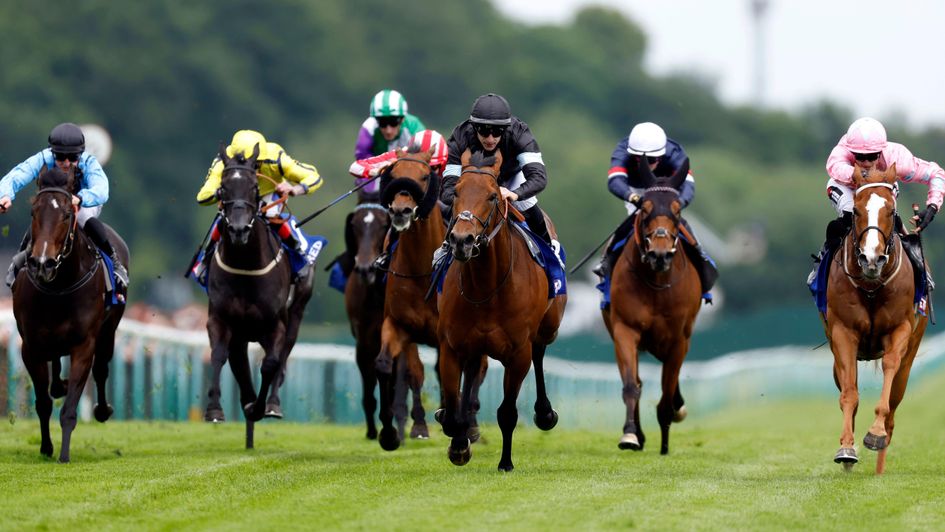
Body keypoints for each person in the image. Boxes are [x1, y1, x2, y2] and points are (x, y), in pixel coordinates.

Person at [807, 117, 944, 286]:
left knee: (888, 217)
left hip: (883, 185)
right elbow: (834, 167)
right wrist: (867, 177)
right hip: (847, 187)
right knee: (852, 213)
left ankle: (919, 268)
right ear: (851, 152)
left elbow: (936, 173)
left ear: (881, 151)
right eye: (860, 156)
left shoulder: (898, 157)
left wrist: (932, 206)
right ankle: (823, 262)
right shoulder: (842, 150)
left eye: (871, 157)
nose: (865, 162)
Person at [0, 122, 128, 290]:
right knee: (44, 216)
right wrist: (5, 195)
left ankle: (115, 261)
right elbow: (17, 175)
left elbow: (102, 190)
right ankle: (18, 261)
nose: (67, 162)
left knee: (81, 217)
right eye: (60, 157)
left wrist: (81, 198)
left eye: (72, 157)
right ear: (53, 153)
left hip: (84, 202)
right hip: (54, 202)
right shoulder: (43, 157)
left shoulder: (89, 162)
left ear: (80, 154)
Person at [190, 129, 324, 284]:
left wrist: (295, 189)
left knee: (272, 215)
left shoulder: (275, 158)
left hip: (266, 195)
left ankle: (299, 254)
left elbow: (314, 177)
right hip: (237, 197)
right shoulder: (223, 162)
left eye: (255, 164)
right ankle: (206, 259)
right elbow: (202, 196)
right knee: (225, 217)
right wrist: (220, 192)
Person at [440, 93, 556, 253]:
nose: (490, 138)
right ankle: (444, 254)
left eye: (497, 131)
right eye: (483, 131)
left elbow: (539, 177)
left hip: (510, 180)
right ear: (474, 127)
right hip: (473, 186)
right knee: (454, 208)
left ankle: (550, 254)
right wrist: (466, 197)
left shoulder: (519, 134)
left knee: (527, 204)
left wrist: (515, 194)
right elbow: (447, 191)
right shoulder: (460, 136)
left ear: (506, 128)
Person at [333, 130, 449, 279]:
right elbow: (355, 167)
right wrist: (381, 169)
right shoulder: (402, 154)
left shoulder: (453, 159)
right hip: (407, 205)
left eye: (434, 168)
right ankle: (385, 256)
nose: (431, 170)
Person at [593, 122, 695, 279]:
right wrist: (633, 197)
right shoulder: (622, 150)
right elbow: (615, 181)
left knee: (682, 225)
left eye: (651, 159)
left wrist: (679, 203)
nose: (644, 164)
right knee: (633, 221)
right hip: (636, 191)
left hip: (666, 192)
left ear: (662, 155)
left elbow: (688, 185)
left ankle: (702, 260)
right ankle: (608, 261)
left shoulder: (674, 153)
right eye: (637, 158)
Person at [353, 90, 426, 202]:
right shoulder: (368, 128)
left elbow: (423, 160)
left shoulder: (414, 127)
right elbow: (363, 161)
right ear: (376, 120)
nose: (388, 130)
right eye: (382, 122)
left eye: (393, 122)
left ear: (402, 119)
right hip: (379, 171)